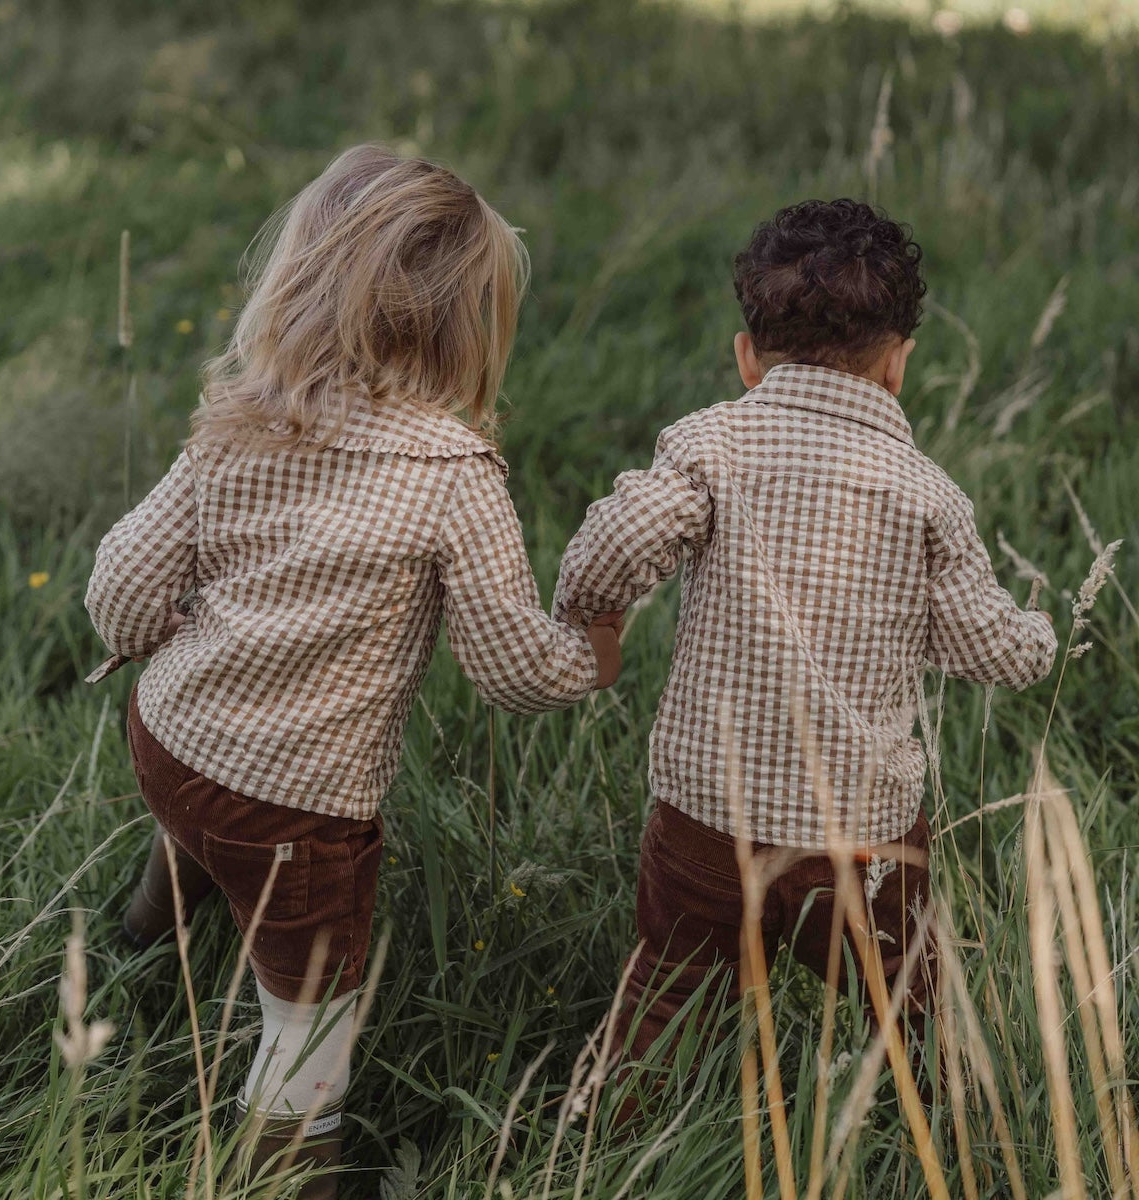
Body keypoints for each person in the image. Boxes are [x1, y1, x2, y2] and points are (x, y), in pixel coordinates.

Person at [85, 144, 620, 1198]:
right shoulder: (454, 479)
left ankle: (147, 930)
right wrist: (590, 656)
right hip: (300, 811)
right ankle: (289, 1150)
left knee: (199, 816)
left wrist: (151, 633)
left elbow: (122, 580)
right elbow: (508, 666)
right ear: (474, 329)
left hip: (170, 739)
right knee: (310, 991)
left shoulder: (239, 422)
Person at [554, 198, 1056, 1107]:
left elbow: (614, 545)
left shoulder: (710, 446)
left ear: (748, 357)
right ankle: (964, 1125)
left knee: (665, 997)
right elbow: (985, 648)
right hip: (860, 832)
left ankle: (605, 1129)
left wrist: (592, 614)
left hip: (711, 812)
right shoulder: (924, 497)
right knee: (911, 995)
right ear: (899, 364)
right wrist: (1039, 638)